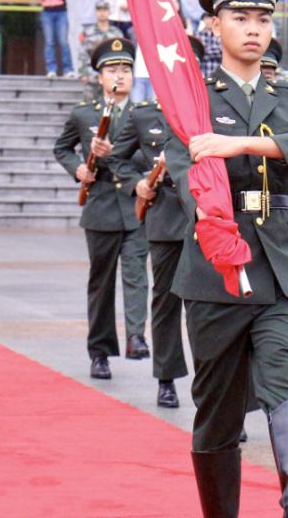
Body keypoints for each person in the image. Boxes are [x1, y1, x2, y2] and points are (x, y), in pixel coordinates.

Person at [163, 0, 288, 517]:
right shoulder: (193, 99)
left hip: (280, 262)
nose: (254, 29)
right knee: (218, 409)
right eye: (240, 17)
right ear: (215, 25)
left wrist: (242, 145)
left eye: (263, 18)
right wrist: (209, 213)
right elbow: (182, 170)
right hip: (216, 266)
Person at [109, 38, 207, 409]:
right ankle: (166, 378)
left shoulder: (211, 109)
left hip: (205, 215)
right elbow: (117, 159)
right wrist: (136, 183)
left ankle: (212, 387)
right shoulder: (144, 114)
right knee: (166, 302)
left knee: (209, 305)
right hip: (165, 218)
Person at [54, 38, 151, 380]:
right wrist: (78, 168)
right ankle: (100, 351)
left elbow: (151, 156)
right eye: (112, 70)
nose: (119, 76)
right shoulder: (84, 114)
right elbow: (62, 148)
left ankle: (136, 336)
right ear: (100, 77)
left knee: (137, 275)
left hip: (136, 205)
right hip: (101, 206)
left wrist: (119, 155)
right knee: (102, 282)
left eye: (125, 69)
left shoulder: (145, 114)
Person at [35, 0, 73, 78]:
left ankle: (68, 69)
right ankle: (51, 69)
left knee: (63, 41)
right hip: (47, 12)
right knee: (49, 41)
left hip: (60, 11)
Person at [77, 0, 123, 87]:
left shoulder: (117, 33)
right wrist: (82, 73)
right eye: (99, 10)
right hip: (92, 75)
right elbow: (82, 54)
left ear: (109, 12)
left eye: (104, 10)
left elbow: (121, 55)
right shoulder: (88, 32)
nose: (102, 13)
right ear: (95, 12)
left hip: (112, 76)